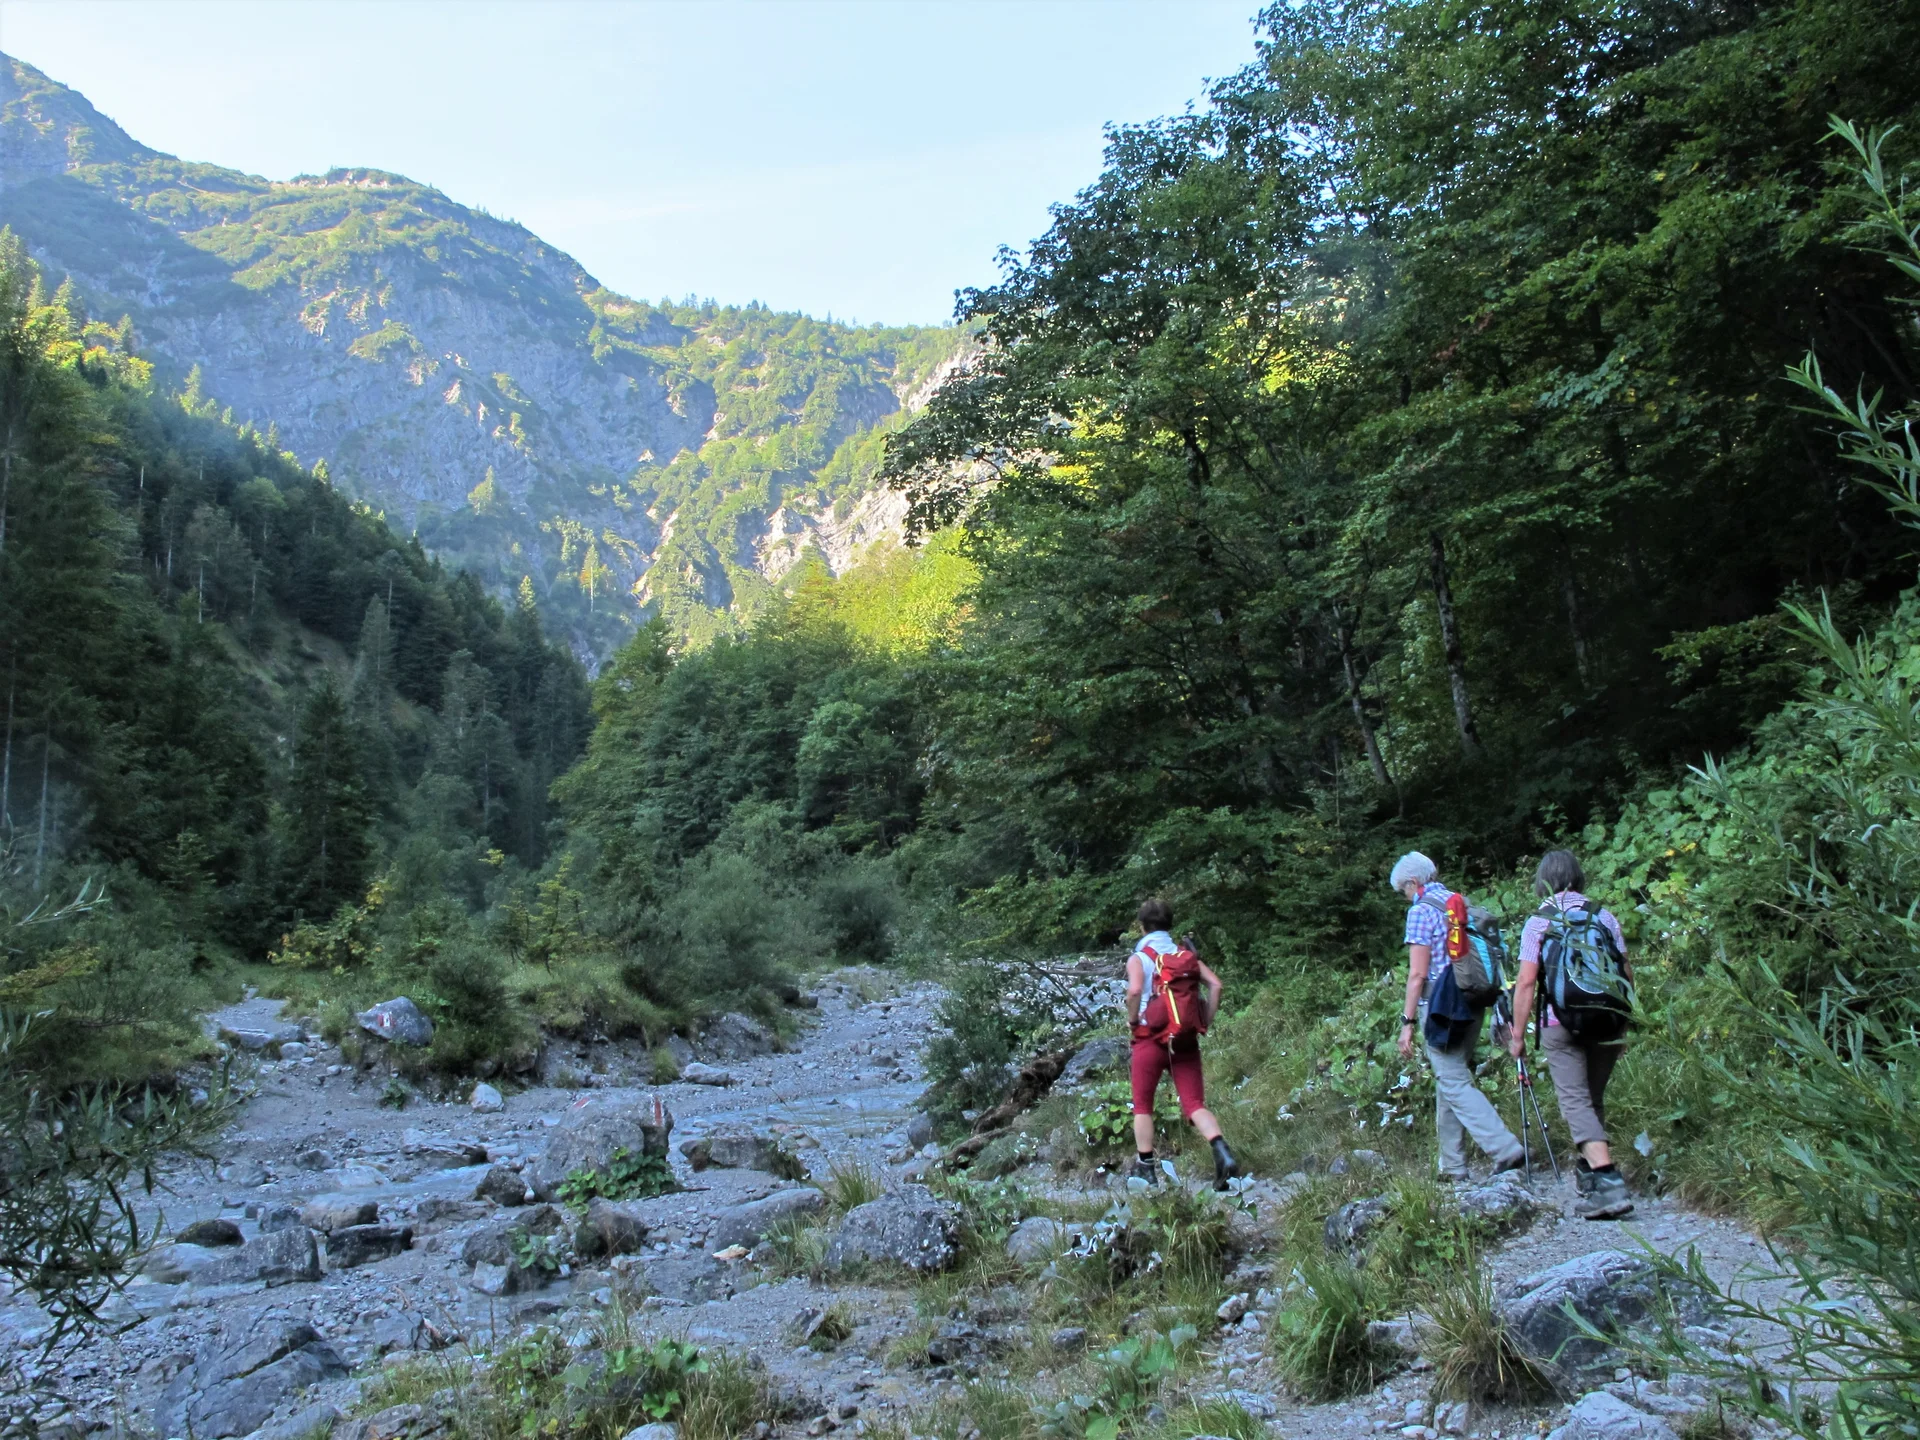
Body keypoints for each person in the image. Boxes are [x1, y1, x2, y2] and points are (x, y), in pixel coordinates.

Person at [1508, 849, 1634, 1219]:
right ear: (1578, 877)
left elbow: (1527, 983)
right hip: (1607, 1019)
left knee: (1575, 1101)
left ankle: (1608, 1181)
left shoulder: (1539, 922)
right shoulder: (1603, 917)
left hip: (1558, 1024)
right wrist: (1624, 1024)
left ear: (1542, 880)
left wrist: (1518, 1034)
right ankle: (1590, 1177)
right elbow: (1625, 973)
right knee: (1591, 1099)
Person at [1392, 852, 1524, 1181]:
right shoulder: (1458, 901)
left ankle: (1506, 1149)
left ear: (1413, 883)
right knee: (1450, 1078)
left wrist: (1407, 1024)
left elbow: (1417, 975)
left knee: (1453, 1080)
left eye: (1402, 891)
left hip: (1441, 1005)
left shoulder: (1421, 911)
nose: (1404, 897)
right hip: (1473, 998)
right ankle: (1452, 1167)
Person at [1124, 898, 1240, 1190]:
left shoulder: (1139, 958)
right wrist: (1205, 1019)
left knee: (1142, 1105)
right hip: (1184, 1039)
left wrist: (1133, 1019)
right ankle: (1222, 1153)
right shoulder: (1185, 956)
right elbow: (1216, 985)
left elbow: (1135, 990)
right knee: (1194, 1103)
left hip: (1149, 1040)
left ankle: (1147, 1170)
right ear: (1169, 924)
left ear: (1142, 926)